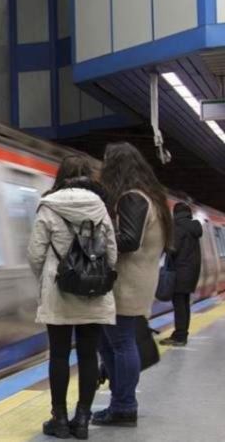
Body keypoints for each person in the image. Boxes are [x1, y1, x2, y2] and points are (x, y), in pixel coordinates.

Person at [27, 155, 117, 439]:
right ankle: (82, 420)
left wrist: (47, 277)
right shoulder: (100, 207)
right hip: (93, 292)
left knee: (59, 355)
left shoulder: (49, 206)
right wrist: (96, 272)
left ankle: (60, 420)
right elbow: (112, 254)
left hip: (58, 291)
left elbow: (35, 254)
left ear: (61, 176)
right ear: (89, 177)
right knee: (89, 354)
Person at [93, 142, 173, 427]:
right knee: (110, 342)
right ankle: (120, 402)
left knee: (121, 343)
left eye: (106, 162)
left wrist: (97, 239)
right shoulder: (151, 197)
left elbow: (128, 240)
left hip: (127, 283)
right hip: (138, 280)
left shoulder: (132, 198)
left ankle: (125, 406)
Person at [160, 202, 202, 346]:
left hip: (180, 272)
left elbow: (173, 248)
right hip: (191, 273)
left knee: (179, 305)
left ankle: (179, 337)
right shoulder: (193, 227)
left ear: (175, 213)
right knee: (184, 304)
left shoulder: (178, 227)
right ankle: (182, 334)